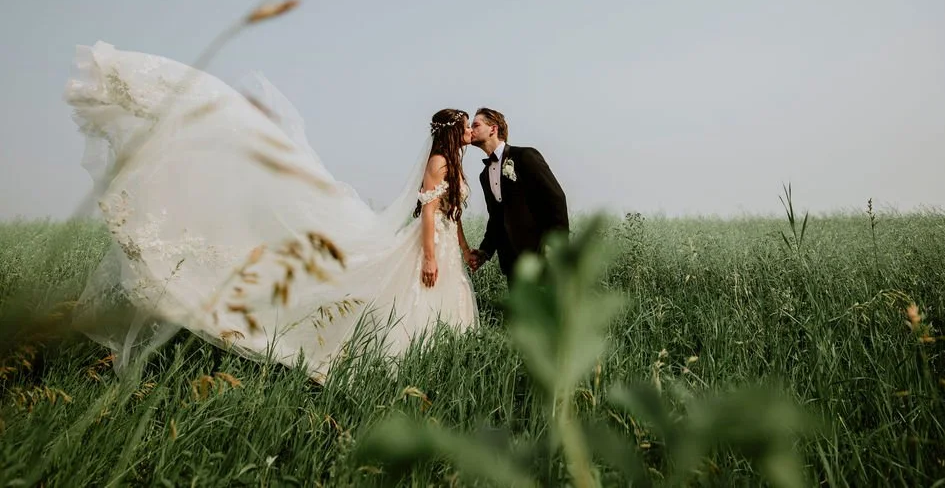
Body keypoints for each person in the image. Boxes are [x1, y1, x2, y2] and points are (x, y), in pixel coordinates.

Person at [64, 41, 478, 383]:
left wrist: (458, 246)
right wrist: (428, 254)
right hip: (429, 245)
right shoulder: (439, 163)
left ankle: (441, 352)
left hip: (444, 246)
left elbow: (451, 214)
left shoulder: (452, 162)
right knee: (414, 294)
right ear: (451, 131)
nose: (468, 134)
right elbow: (428, 213)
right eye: (464, 128)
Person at [467, 108, 569, 284]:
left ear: (493, 129)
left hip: (541, 255)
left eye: (476, 125)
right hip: (512, 261)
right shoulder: (484, 175)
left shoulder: (525, 156)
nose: (470, 130)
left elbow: (556, 199)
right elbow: (497, 218)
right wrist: (485, 251)